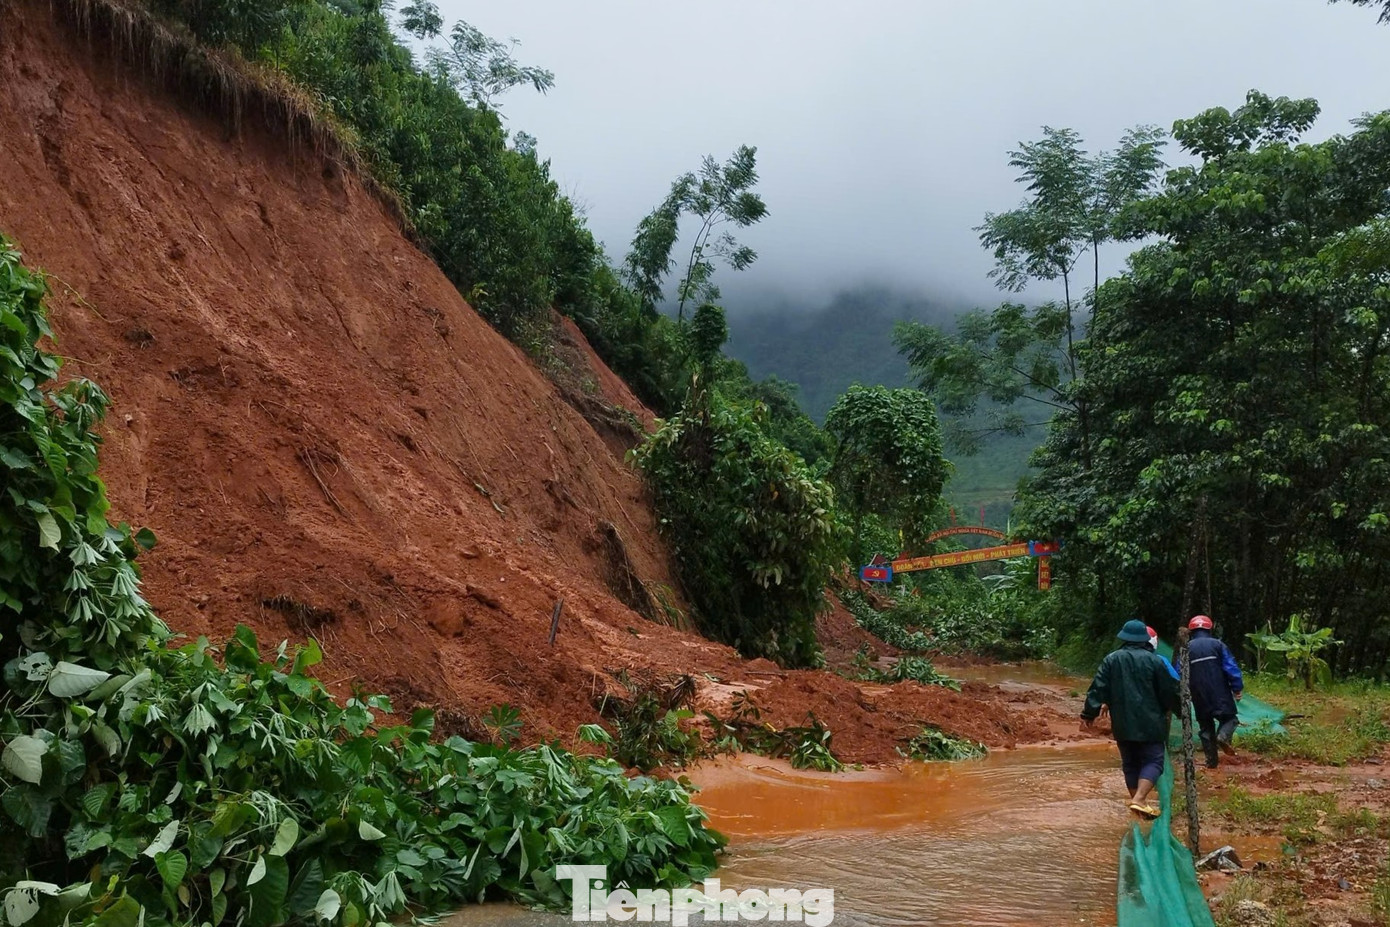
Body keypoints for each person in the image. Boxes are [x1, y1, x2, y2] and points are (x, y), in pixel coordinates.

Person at [1081, 619, 1180, 819]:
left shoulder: (1112, 659)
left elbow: (1099, 687)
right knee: (1154, 760)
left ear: (1124, 639)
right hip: (1151, 722)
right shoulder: (1156, 661)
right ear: (1145, 639)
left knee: (1130, 763)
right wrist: (1179, 711)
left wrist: (1088, 713)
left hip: (1123, 723)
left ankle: (1139, 808)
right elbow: (1169, 691)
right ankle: (1140, 799)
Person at [1186, 615, 1244, 769]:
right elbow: (1231, 667)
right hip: (1220, 692)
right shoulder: (1217, 645)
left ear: (1191, 630)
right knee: (1230, 719)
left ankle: (1211, 762)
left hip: (1198, 695)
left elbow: (1180, 672)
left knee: (1205, 728)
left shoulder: (1186, 648)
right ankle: (1223, 737)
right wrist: (1237, 688)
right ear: (1209, 628)